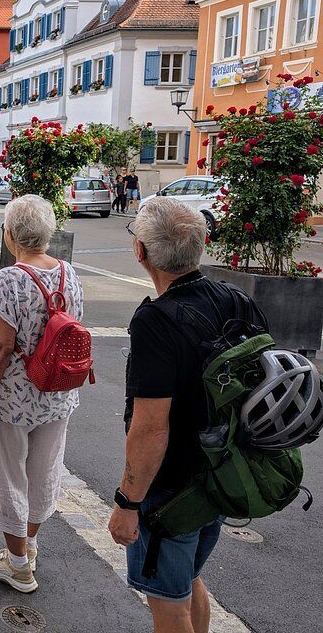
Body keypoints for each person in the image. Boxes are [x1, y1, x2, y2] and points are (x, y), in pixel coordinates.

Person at [108, 198, 266, 633]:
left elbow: (151, 428)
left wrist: (127, 503)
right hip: (220, 474)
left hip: (171, 491)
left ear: (141, 251)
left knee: (168, 603)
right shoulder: (235, 299)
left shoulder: (155, 321)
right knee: (189, 579)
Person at [0, 195, 85, 594]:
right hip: (58, 394)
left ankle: (17, 567)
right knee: (43, 474)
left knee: (9, 477)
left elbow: (0, 349)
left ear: (11, 234)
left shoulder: (9, 280)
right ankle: (28, 548)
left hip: (14, 401)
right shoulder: (69, 273)